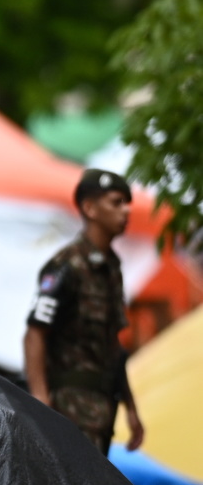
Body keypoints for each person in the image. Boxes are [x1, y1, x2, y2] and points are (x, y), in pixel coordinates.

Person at [24, 168, 144, 455]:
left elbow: (113, 345)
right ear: (90, 208)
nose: (126, 211)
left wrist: (131, 407)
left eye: (127, 203)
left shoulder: (112, 268)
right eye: (116, 202)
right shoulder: (67, 265)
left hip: (102, 411)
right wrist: (40, 401)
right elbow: (35, 334)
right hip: (68, 409)